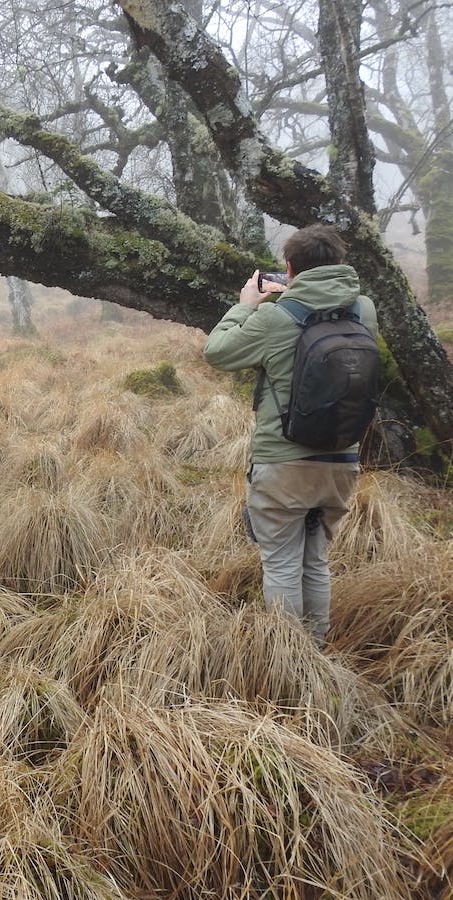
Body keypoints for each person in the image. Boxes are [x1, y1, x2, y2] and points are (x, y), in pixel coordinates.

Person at [203, 224, 378, 645]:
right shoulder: (364, 310)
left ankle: (289, 657)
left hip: (282, 461)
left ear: (289, 268)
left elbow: (217, 352)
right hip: (342, 458)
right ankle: (315, 649)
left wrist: (247, 305)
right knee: (315, 561)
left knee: (280, 563)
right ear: (339, 263)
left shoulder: (274, 316)